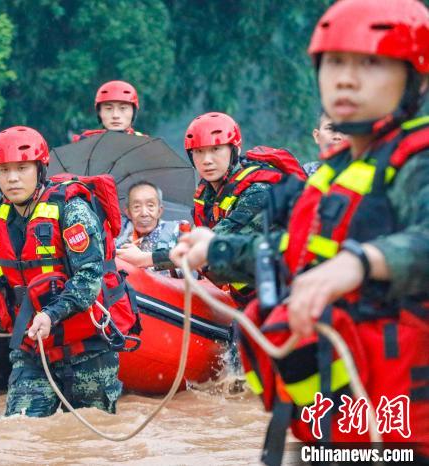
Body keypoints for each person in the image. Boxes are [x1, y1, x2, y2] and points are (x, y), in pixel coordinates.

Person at [171, 0, 429, 460]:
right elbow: (294, 252)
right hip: (334, 410)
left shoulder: (418, 161)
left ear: (416, 76)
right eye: (334, 64)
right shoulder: (336, 172)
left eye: (369, 63)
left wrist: (361, 262)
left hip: (403, 419)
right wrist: (217, 247)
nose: (346, 79)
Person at [0, 126, 136, 417]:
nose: (12, 178)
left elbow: (90, 277)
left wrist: (51, 314)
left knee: (93, 438)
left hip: (87, 350)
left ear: (39, 169)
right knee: (19, 432)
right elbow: (5, 267)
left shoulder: (72, 211)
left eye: (22, 168)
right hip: (33, 349)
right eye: (3, 170)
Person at [186, 112, 304, 306]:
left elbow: (213, 243)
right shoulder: (206, 195)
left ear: (234, 150)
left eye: (216, 149)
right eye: (198, 152)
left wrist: (148, 258)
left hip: (285, 296)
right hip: (247, 298)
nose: (206, 160)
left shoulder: (259, 190)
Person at [115, 181, 181, 273]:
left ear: (159, 211)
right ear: (128, 212)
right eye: (137, 206)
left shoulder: (178, 230)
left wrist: (143, 258)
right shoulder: (116, 234)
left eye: (150, 205)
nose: (144, 213)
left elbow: (191, 258)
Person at [72, 80, 146, 141]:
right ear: (99, 113)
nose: (115, 115)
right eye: (108, 109)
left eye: (123, 108)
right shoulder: (84, 143)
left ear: (133, 112)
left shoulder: (145, 144)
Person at [304, 111, 349, 175]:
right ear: (317, 136)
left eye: (345, 129)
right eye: (330, 128)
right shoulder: (303, 174)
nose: (337, 137)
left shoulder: (364, 175)